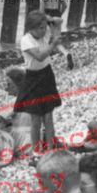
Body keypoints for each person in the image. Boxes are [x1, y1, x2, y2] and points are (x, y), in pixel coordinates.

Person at [17, 10, 63, 165]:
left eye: (44, 28)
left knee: (48, 116)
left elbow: (58, 21)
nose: (43, 31)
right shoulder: (26, 40)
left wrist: (49, 20)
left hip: (47, 75)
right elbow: (40, 55)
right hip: (33, 78)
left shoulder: (44, 35)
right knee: (36, 118)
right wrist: (53, 43)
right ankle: (36, 151)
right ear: (30, 28)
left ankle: (50, 149)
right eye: (39, 28)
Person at [38, 0, 74, 69]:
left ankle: (44, 64)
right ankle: (67, 54)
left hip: (48, 18)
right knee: (56, 41)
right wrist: (59, 16)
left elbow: (41, 11)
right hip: (57, 16)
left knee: (43, 41)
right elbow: (65, 5)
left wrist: (44, 20)